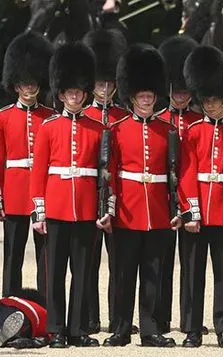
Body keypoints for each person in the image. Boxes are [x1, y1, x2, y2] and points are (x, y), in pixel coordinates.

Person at [103, 44, 178, 348]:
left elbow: (176, 174)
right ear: (132, 98)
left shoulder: (167, 130)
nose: (147, 101)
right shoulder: (117, 129)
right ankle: (121, 328)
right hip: (128, 211)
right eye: (142, 97)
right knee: (123, 274)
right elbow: (110, 173)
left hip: (157, 211)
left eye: (150, 96)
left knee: (152, 275)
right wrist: (110, 208)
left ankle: (150, 329)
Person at [30, 42, 102, 348]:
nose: (74, 96)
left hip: (85, 208)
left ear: (84, 94)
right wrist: (39, 211)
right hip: (57, 207)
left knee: (83, 272)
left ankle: (77, 328)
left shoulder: (97, 129)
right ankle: (56, 328)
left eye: (78, 92)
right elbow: (39, 171)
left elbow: (102, 173)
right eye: (69, 92)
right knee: (54, 271)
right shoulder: (48, 127)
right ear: (60, 94)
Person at [178, 45, 223, 348]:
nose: (211, 105)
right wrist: (191, 211)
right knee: (193, 273)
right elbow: (186, 174)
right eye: (206, 100)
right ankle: (193, 328)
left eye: (215, 100)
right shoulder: (192, 132)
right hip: (199, 213)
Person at [0, 31, 54, 299]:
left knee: (47, 257)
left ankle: (48, 308)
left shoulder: (50, 117)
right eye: (24, 83)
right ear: (16, 85)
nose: (29, 88)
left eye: (33, 83)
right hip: (14, 192)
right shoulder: (2, 117)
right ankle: (8, 303)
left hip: (44, 193)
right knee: (12, 256)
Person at [83, 28, 128, 335]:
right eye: (99, 83)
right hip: (87, 196)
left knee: (119, 265)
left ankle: (118, 318)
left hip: (118, 199)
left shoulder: (123, 117)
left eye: (109, 83)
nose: (104, 88)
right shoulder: (83, 114)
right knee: (88, 263)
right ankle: (89, 318)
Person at [156, 35, 202, 336]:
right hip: (162, 199)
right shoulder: (159, 120)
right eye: (177, 90)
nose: (181, 95)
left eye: (186, 90)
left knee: (191, 263)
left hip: (192, 199)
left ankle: (189, 321)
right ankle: (160, 319)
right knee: (160, 263)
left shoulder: (199, 120)